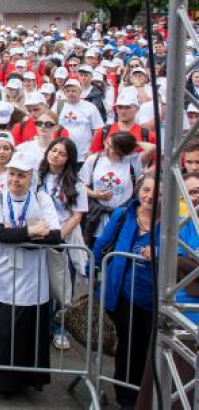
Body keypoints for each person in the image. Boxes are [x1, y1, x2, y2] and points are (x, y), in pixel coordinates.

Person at [0, 155, 62, 397]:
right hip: (1, 272)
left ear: (31, 177)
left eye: (21, 175)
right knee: (2, 327)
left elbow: (55, 236)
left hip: (31, 274)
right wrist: (33, 231)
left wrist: (18, 236)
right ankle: (1, 380)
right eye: (12, 174)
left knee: (25, 326)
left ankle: (24, 379)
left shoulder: (42, 199)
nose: (15, 180)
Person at [93, 172, 157, 410]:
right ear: (139, 190)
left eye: (158, 192)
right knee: (128, 346)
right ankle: (126, 398)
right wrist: (93, 271)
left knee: (148, 348)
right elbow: (102, 244)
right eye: (147, 189)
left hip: (153, 297)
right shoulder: (123, 214)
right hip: (122, 294)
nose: (150, 196)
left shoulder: (174, 223)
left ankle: (146, 396)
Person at [35, 137, 87, 350]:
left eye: (62, 153)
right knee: (41, 285)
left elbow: (77, 216)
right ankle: (41, 328)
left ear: (69, 158)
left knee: (63, 286)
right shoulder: (37, 177)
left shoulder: (77, 183)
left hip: (64, 239)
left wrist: (59, 237)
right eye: (53, 150)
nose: (56, 155)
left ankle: (60, 328)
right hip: (39, 236)